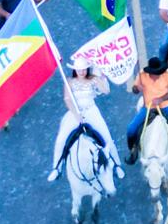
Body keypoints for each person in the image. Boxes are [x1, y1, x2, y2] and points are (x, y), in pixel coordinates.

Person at [50, 53, 122, 183]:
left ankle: (116, 165)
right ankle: (57, 167)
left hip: (91, 111)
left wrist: (102, 76)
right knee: (61, 140)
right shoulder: (69, 81)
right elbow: (67, 99)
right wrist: (77, 115)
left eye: (84, 69)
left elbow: (106, 91)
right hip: (75, 113)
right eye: (79, 69)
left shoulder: (93, 79)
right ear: (75, 70)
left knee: (106, 136)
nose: (82, 72)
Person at [125, 56, 168, 164]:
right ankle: (133, 151)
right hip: (148, 107)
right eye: (155, 73)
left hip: (166, 106)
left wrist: (161, 99)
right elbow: (135, 90)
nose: (157, 75)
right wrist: (136, 88)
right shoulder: (142, 74)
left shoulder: (167, 73)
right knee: (131, 129)